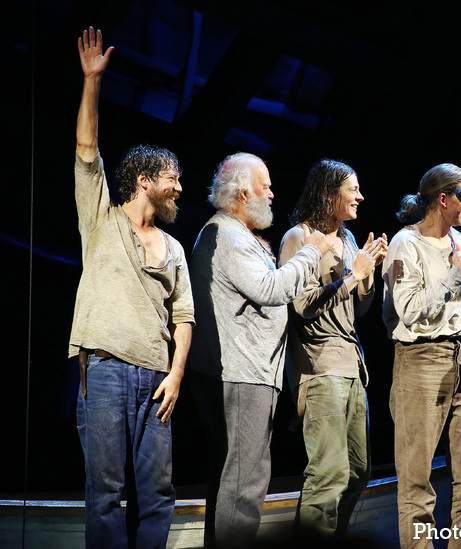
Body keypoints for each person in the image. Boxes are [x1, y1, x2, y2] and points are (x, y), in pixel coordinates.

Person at [70, 27, 195, 548]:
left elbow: (184, 315)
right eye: (173, 179)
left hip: (155, 379)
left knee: (158, 494)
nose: (180, 189)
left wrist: (177, 373)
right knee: (105, 493)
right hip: (105, 370)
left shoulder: (174, 247)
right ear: (144, 179)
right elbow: (86, 147)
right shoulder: (100, 217)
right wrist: (92, 82)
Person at [187, 152, 332, 548]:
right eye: (264, 185)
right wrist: (311, 251)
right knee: (245, 481)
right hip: (241, 374)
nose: (271, 193)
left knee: (234, 476)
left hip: (246, 372)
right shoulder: (229, 235)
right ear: (242, 191)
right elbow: (271, 290)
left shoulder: (238, 235)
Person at [278, 159, 387, 545]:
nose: (360, 196)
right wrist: (352, 275)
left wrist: (368, 274)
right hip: (319, 367)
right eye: (351, 189)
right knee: (329, 474)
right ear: (329, 194)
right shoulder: (299, 237)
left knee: (358, 471)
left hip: (353, 367)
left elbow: (359, 308)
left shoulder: (348, 238)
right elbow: (302, 305)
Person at [382, 163, 461, 548]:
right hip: (420, 360)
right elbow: (409, 310)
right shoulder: (405, 243)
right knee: (418, 480)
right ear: (442, 199)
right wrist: (453, 276)